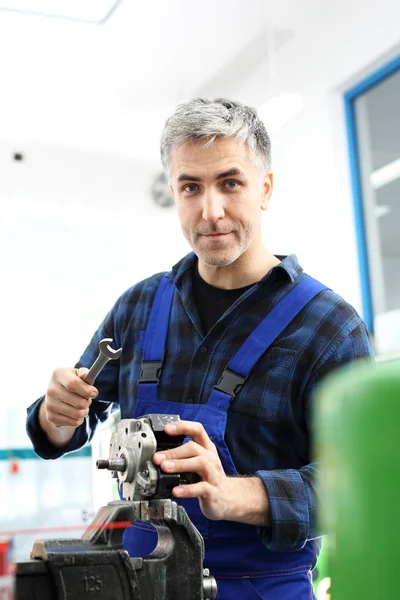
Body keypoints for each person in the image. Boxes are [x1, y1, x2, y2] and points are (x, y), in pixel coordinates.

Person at [26, 97, 373, 599]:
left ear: (265, 189)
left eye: (230, 182)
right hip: (140, 581)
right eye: (192, 187)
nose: (211, 211)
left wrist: (240, 494)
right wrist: (56, 417)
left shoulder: (328, 328)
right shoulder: (139, 305)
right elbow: (69, 422)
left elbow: (362, 487)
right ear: (174, 192)